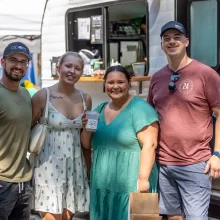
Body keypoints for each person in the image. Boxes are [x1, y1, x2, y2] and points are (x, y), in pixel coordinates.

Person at [147, 21, 220, 220]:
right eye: (166, 38)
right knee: (173, 217)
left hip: (195, 163)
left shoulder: (206, 74)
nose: (172, 42)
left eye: (177, 37)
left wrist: (217, 154)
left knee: (196, 217)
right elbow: (150, 116)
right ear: (161, 44)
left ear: (186, 42)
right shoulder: (157, 78)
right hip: (164, 162)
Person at [81, 65, 159, 220]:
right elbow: (86, 144)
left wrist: (143, 181)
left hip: (131, 184)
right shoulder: (99, 109)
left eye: (120, 82)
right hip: (103, 183)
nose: (115, 86)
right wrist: (86, 128)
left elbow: (150, 146)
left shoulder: (141, 109)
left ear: (129, 83)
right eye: (110, 82)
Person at [31, 52, 91, 220]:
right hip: (48, 165)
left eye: (77, 68)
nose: (72, 71)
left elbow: (85, 142)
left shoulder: (85, 98)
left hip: (75, 165)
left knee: (67, 217)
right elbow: (26, 131)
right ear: (58, 68)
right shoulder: (43, 96)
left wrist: (88, 129)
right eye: (68, 66)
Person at [0, 42, 33, 219]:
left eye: (23, 61)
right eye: (13, 60)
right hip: (2, 181)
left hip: (23, 181)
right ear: (2, 62)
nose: (18, 66)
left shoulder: (25, 94)